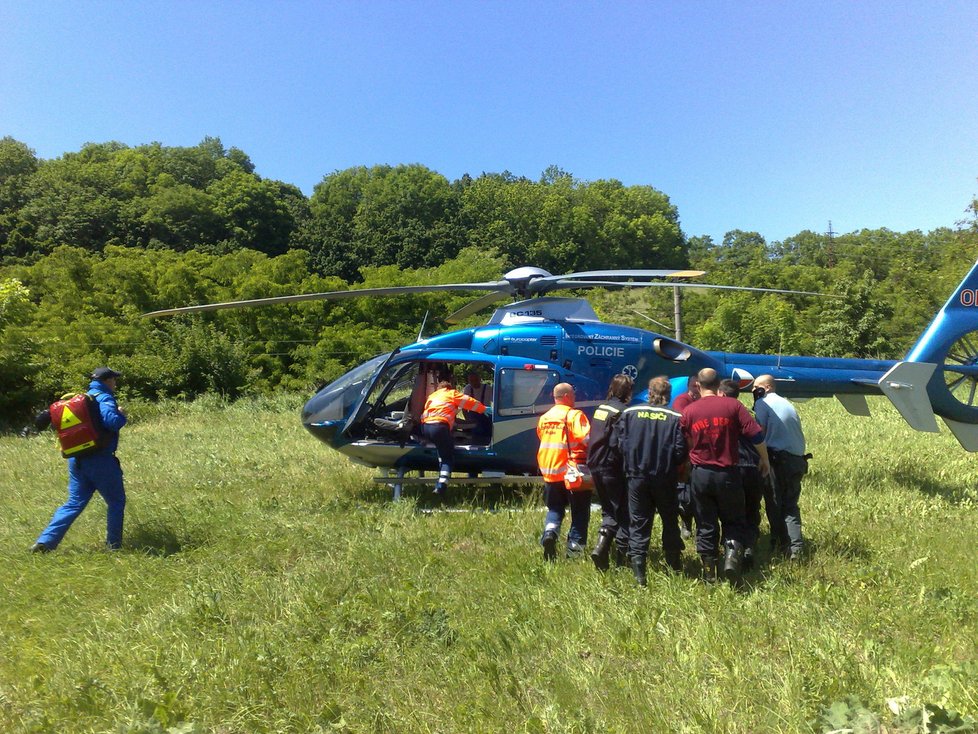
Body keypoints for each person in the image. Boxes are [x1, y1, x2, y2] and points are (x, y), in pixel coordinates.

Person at [679, 368, 769, 583]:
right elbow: (756, 434)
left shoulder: (690, 411)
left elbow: (684, 441)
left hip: (701, 475)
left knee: (705, 524)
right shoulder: (733, 405)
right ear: (718, 385)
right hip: (728, 473)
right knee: (734, 520)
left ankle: (710, 572)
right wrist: (764, 459)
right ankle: (730, 561)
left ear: (698, 386)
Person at [32, 367, 128, 552]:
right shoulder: (104, 398)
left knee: (74, 503)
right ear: (106, 381)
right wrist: (121, 414)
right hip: (100, 460)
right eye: (114, 379)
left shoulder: (80, 399)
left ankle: (45, 542)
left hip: (76, 460)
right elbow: (113, 422)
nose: (115, 383)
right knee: (116, 502)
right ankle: (113, 547)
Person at [615, 376, 687, 585]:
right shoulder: (675, 417)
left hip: (636, 476)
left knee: (638, 522)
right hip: (664, 476)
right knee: (669, 520)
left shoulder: (629, 413)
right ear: (668, 394)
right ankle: (674, 564)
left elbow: (620, 444)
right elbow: (681, 450)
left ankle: (639, 574)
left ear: (649, 392)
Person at [752, 374, 808, 560]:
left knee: (775, 504)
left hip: (778, 459)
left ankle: (780, 544)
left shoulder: (763, 403)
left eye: (756, 387)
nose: (753, 391)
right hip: (797, 459)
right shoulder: (786, 403)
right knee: (790, 505)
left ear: (766, 387)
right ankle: (796, 549)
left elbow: (760, 433)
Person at [537, 383, 591, 561]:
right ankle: (574, 553)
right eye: (573, 394)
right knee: (580, 512)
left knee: (555, 508)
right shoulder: (574, 415)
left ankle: (550, 532)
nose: (575, 397)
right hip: (572, 473)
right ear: (567, 395)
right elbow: (587, 439)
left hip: (550, 471)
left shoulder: (545, 417)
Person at [586, 374, 633, 571]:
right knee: (623, 512)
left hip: (595, 465)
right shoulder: (622, 412)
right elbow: (619, 444)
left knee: (608, 509)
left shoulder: (601, 408)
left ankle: (601, 548)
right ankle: (620, 559)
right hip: (611, 466)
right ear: (628, 392)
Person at [718, 379, 765, 571]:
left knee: (731, 513)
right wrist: (765, 459)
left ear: (721, 393)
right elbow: (758, 435)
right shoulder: (747, 411)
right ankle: (749, 549)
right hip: (752, 466)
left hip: (733, 467)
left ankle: (732, 552)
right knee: (751, 510)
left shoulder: (720, 412)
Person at [421, 379, 490, 497]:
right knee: (447, 457)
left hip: (425, 427)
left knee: (441, 448)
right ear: (449, 387)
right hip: (439, 427)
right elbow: (468, 402)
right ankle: (441, 485)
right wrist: (483, 409)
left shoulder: (433, 395)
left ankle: (440, 471)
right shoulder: (451, 393)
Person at [671, 375, 700, 540]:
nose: (696, 389)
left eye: (699, 386)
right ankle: (686, 523)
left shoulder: (703, 401)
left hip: (700, 452)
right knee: (685, 492)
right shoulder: (681, 400)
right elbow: (683, 424)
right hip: (686, 453)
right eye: (694, 386)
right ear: (689, 386)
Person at [462, 369, 492, 445]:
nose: (474, 382)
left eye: (475, 380)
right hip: (473, 415)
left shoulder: (488, 388)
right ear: (469, 381)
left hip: (486, 414)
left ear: (479, 379)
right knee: (476, 434)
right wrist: (467, 420)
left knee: (488, 433)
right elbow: (464, 407)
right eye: (471, 381)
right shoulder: (467, 388)